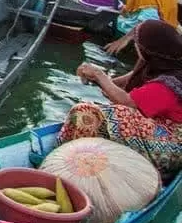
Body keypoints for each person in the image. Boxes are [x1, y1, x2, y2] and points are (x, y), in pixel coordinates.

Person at [61, 20, 182, 174]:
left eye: (137, 43)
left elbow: (127, 102)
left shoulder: (169, 83)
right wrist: (97, 79)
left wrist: (99, 75)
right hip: (159, 127)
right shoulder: (157, 65)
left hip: (173, 145)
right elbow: (119, 85)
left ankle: (67, 163)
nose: (135, 46)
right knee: (96, 114)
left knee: (84, 113)